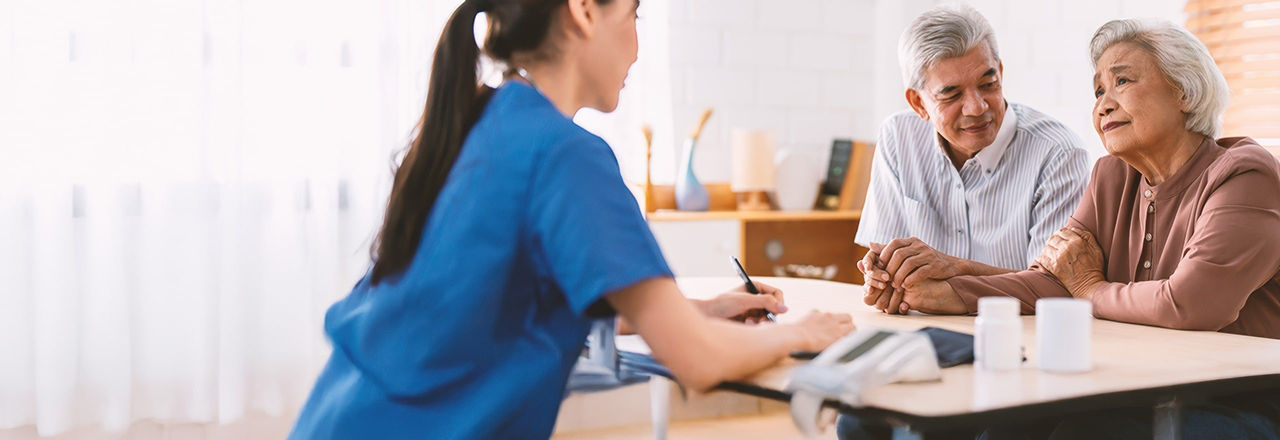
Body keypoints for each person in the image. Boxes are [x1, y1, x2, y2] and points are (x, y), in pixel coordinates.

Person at [287, 0, 855, 438]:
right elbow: (697, 360)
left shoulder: (475, 122)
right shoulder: (566, 153)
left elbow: (510, 302)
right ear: (584, 11)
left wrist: (699, 311)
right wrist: (805, 332)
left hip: (343, 416)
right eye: (634, 16)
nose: (636, 49)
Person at [883, 18, 1280, 439]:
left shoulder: (1245, 175)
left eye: (1121, 81)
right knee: (1001, 427)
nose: (1103, 104)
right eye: (1098, 91)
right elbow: (1052, 284)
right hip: (1133, 387)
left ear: (1183, 90)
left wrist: (1090, 287)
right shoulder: (1111, 176)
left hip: (1238, 399)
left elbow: (1192, 304)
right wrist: (945, 292)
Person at [855, 4, 1091, 318]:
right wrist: (883, 277)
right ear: (918, 103)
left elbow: (1054, 286)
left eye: (987, 84)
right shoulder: (898, 138)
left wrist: (955, 269)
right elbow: (885, 262)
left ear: (1001, 73)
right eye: (951, 94)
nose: (976, 107)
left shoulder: (1058, 153)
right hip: (921, 332)